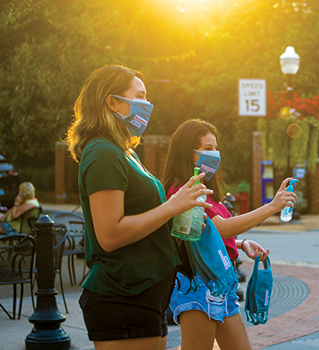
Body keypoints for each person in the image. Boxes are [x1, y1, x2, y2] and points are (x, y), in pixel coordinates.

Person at [64, 65, 213, 350]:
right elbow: (110, 235)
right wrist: (171, 206)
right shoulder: (103, 153)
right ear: (112, 101)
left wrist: (182, 214)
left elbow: (147, 218)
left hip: (145, 294)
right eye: (140, 96)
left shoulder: (124, 151)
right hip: (123, 293)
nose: (147, 105)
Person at [160, 119, 297, 350]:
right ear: (188, 152)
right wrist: (272, 207)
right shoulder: (183, 190)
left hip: (221, 284)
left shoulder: (204, 189)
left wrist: (240, 243)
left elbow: (206, 235)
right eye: (207, 148)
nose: (215, 154)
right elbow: (220, 228)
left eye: (215, 148)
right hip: (198, 285)